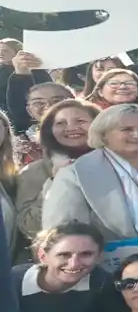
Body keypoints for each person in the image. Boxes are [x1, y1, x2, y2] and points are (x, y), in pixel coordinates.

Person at [41, 103, 138, 259]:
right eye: (127, 129)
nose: (137, 135)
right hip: (120, 267)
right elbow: (62, 230)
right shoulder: (76, 173)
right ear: (104, 135)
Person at [14, 98, 97, 247]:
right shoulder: (32, 172)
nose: (71, 128)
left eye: (80, 121)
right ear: (49, 131)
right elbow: (28, 226)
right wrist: (54, 184)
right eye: (61, 123)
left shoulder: (119, 163)